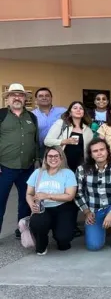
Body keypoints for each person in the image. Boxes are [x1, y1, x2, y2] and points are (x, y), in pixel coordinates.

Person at [75, 138, 111, 251]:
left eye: (102, 149)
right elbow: (78, 193)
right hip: (94, 210)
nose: (99, 153)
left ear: (107, 151)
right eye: (95, 151)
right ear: (91, 154)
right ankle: (102, 228)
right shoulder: (82, 169)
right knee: (94, 246)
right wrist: (86, 212)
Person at [0, 83, 40, 239]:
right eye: (13, 95)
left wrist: (37, 160)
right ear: (8, 98)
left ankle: (22, 231)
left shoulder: (32, 117)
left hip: (27, 168)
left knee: (25, 201)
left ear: (25, 99)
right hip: (4, 168)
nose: (17, 97)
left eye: (20, 95)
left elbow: (36, 141)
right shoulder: (1, 114)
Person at [26, 146, 77, 255]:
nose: (53, 158)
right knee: (37, 223)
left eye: (56, 156)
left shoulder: (68, 173)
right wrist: (31, 204)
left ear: (61, 158)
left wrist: (48, 196)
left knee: (64, 240)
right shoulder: (38, 173)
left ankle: (59, 233)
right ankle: (42, 244)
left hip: (63, 207)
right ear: (45, 158)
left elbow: (70, 196)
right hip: (43, 207)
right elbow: (29, 194)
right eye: (50, 156)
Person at [44, 101, 94, 173]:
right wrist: (64, 141)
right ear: (70, 112)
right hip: (61, 164)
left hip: (80, 166)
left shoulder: (88, 130)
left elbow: (89, 150)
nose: (78, 110)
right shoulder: (61, 123)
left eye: (81, 108)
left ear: (84, 113)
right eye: (75, 108)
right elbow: (47, 141)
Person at [32, 87, 66, 158]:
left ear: (51, 98)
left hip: (61, 149)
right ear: (36, 99)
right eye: (40, 96)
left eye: (47, 95)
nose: (44, 98)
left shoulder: (63, 111)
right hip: (41, 151)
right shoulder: (32, 115)